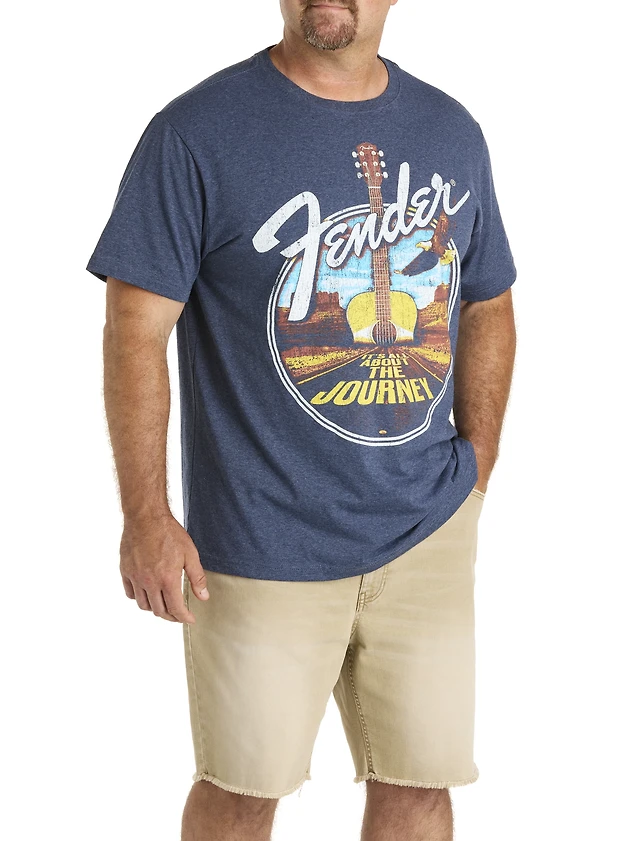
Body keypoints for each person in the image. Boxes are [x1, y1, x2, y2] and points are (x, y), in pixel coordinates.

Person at [86, 1, 517, 838]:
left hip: (428, 528)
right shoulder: (194, 133)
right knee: (243, 792)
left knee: (421, 786)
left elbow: (488, 299)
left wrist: (478, 465)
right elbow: (133, 330)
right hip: (260, 539)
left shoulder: (451, 131)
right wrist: (145, 515)